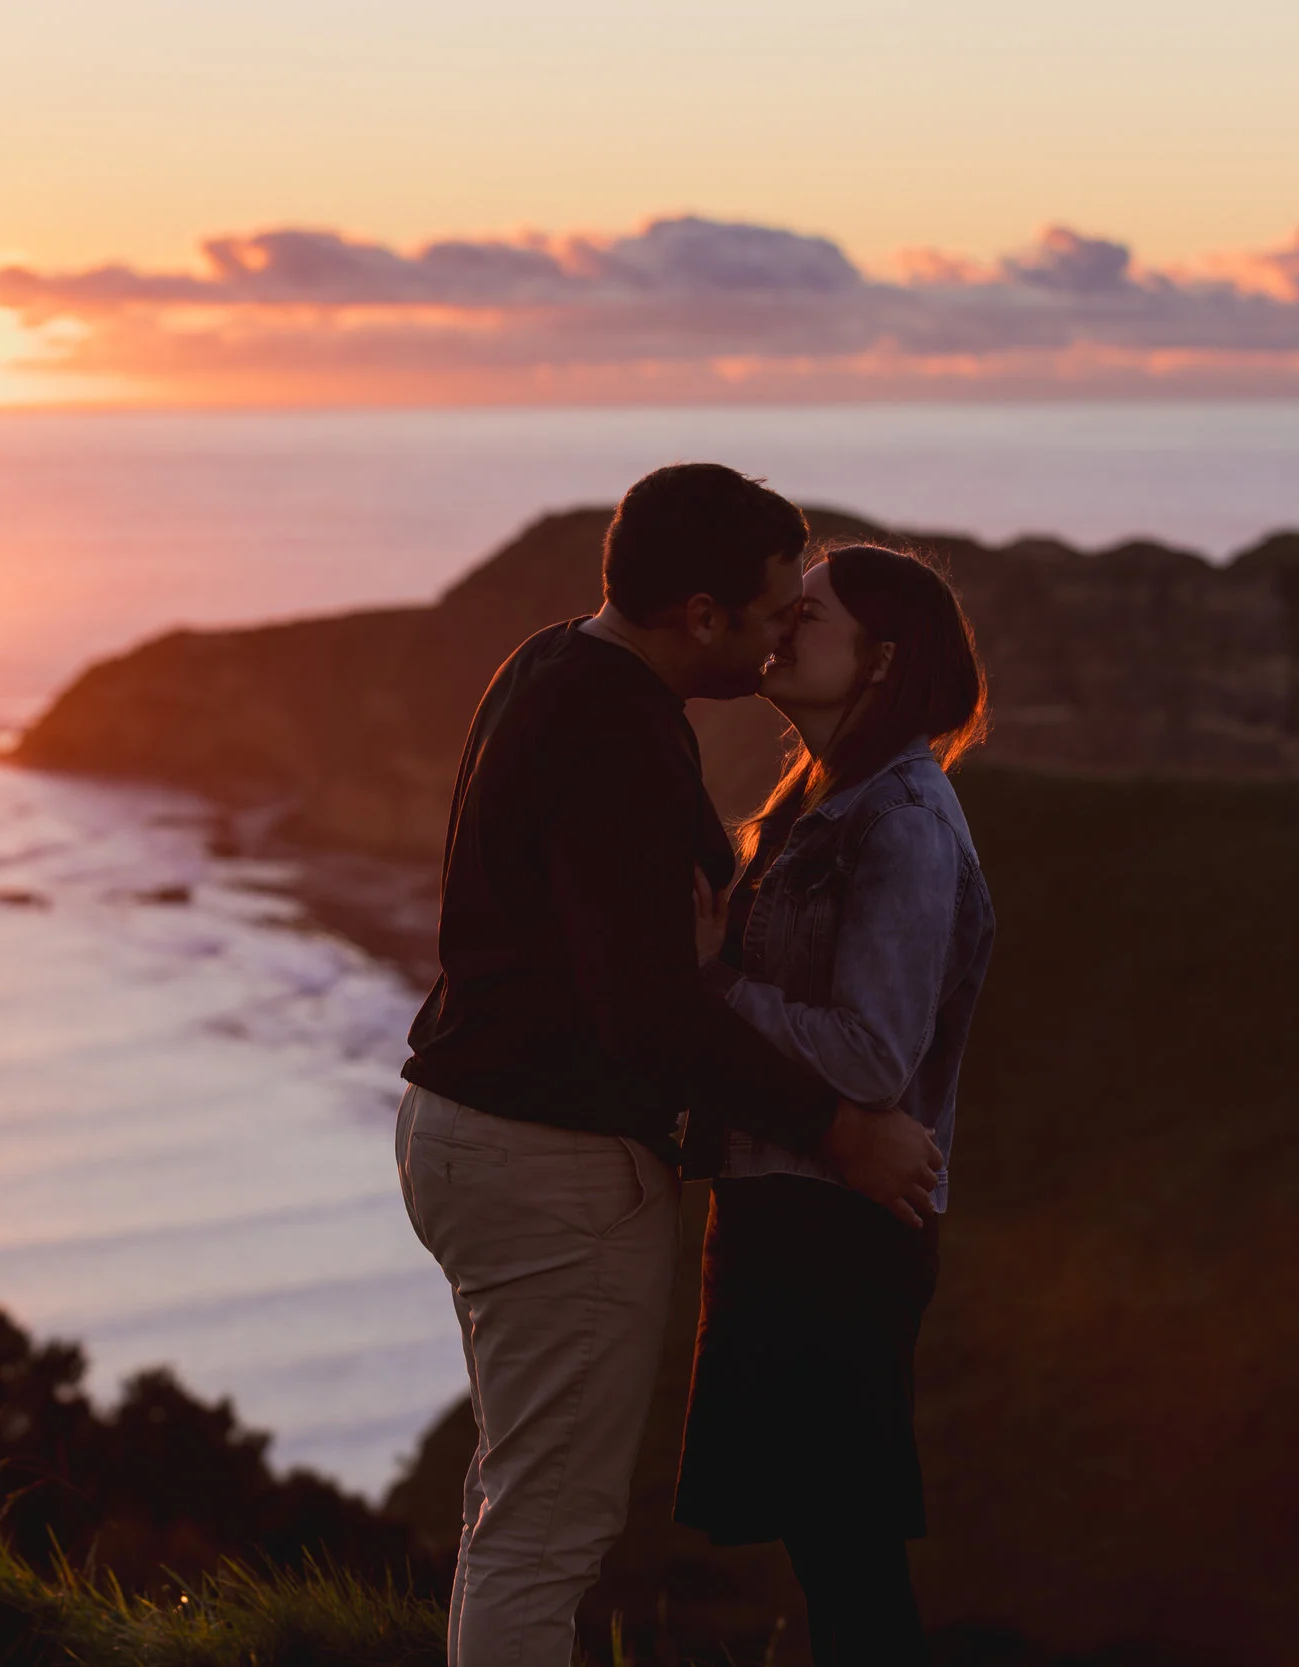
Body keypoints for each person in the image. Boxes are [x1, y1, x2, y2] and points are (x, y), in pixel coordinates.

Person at [394, 467, 945, 1667]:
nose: (772, 643)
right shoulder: (617, 734)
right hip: (552, 1160)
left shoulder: (558, 664)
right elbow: (644, 1011)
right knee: (550, 1523)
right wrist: (840, 1127)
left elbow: (661, 896)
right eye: (765, 616)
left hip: (465, 1127)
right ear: (699, 614)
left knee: (516, 1492)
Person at [674, 543, 996, 1667]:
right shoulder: (823, 794)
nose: (778, 623)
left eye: (807, 613)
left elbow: (869, 1054)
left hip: (839, 1229)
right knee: (831, 1553)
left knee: (848, 1559)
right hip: (792, 1213)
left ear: (880, 659)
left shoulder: (899, 818)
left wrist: (716, 980)